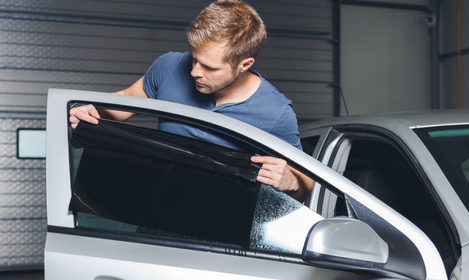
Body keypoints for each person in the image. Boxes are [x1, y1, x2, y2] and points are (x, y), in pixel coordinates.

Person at [69, 0, 313, 202]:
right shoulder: (169, 66)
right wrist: (92, 110)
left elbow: (307, 182)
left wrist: (292, 182)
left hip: (221, 223)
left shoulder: (275, 112)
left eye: (209, 67)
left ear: (244, 64)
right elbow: (126, 101)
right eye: (194, 58)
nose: (195, 71)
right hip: (155, 205)